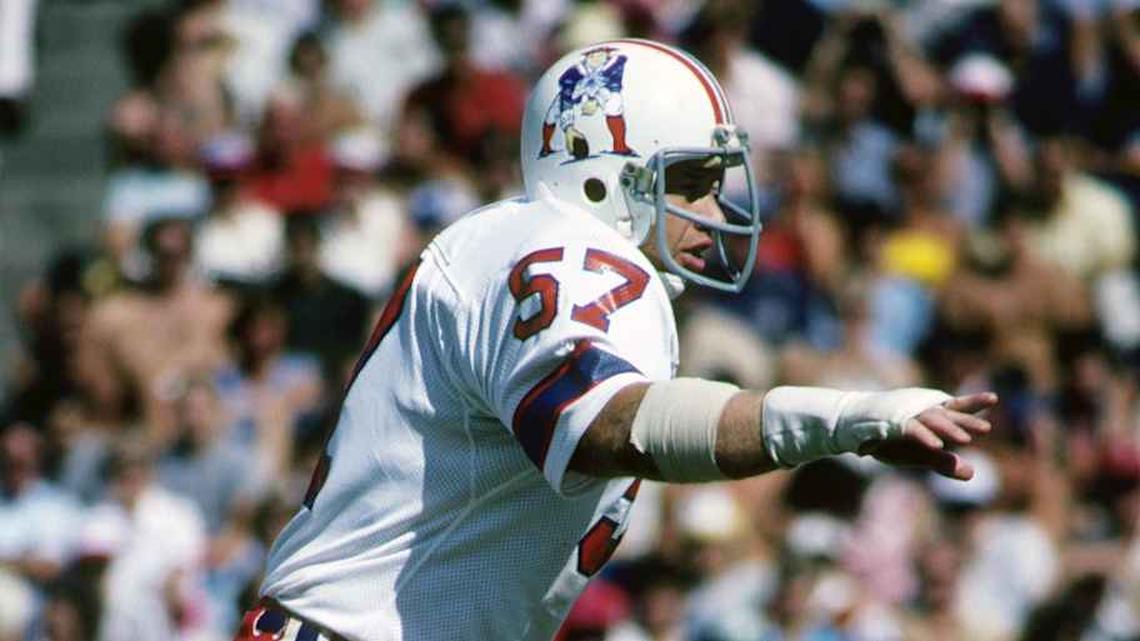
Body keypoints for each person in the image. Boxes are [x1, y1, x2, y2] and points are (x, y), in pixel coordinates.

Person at [233, 40, 997, 641]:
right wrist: (841, 419)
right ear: (604, 176)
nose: (712, 206)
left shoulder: (521, 245)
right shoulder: (566, 252)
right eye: (692, 179)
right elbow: (611, 423)